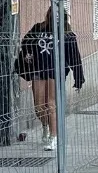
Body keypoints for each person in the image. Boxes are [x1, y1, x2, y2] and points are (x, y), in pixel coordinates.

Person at [15, 8, 85, 151]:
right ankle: (45, 126)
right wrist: (28, 55)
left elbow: (75, 57)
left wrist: (78, 78)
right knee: (39, 106)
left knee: (51, 104)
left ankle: (54, 137)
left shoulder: (67, 34)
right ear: (48, 15)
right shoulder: (38, 28)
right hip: (38, 70)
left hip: (56, 72)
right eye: (53, 14)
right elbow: (26, 42)